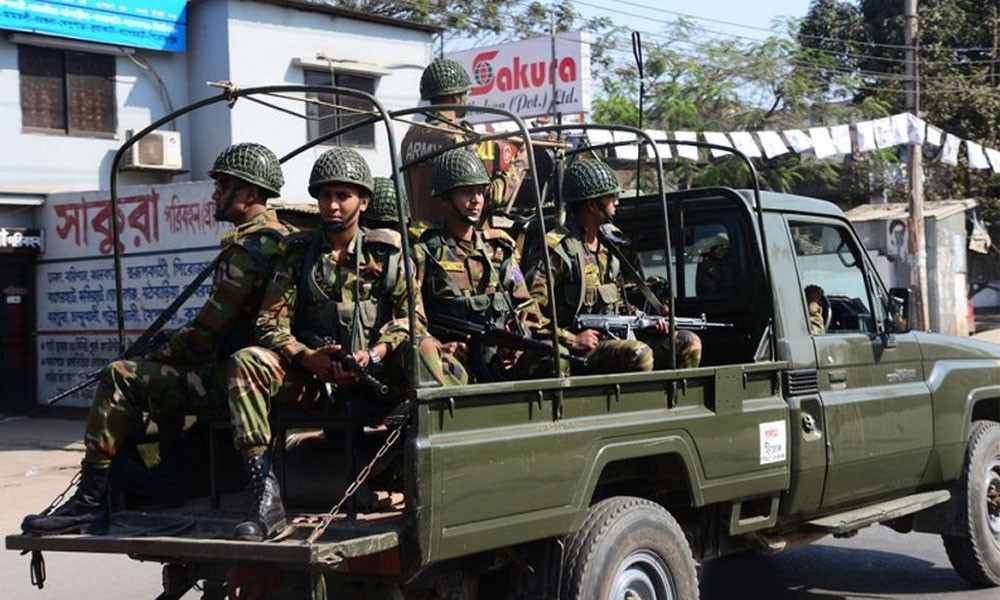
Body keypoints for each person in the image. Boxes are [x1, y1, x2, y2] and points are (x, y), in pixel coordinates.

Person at [21, 143, 295, 536]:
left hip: (237, 378)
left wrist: (161, 351)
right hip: (256, 374)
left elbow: (205, 334)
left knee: (121, 376)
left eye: (223, 186)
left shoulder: (253, 249)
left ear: (249, 193)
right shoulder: (281, 238)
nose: (214, 195)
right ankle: (166, 479)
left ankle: (92, 502)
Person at [226, 147, 465, 541]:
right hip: (314, 380)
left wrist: (376, 352)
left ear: (364, 201)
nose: (332, 205)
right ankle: (265, 502)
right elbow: (270, 323)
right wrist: (308, 357)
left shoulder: (387, 255)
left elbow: (413, 319)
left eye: (343, 196)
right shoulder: (298, 254)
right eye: (325, 195)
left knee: (423, 348)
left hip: (379, 378)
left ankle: (435, 483)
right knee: (246, 361)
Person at [525, 158, 702, 374]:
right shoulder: (558, 249)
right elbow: (528, 312)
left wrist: (646, 321)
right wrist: (572, 339)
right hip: (577, 348)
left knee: (688, 342)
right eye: (611, 197)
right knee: (639, 354)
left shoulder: (610, 246)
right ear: (592, 204)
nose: (617, 202)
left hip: (611, 338)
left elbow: (615, 302)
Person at [418, 148, 548, 381]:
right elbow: (410, 316)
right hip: (453, 358)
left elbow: (526, 304)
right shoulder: (423, 249)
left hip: (499, 355)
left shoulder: (498, 247)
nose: (476, 199)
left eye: (480, 191)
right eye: (467, 192)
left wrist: (518, 338)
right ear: (445, 199)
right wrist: (439, 346)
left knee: (552, 356)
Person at [400, 58, 525, 222]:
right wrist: (519, 164)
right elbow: (487, 197)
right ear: (455, 97)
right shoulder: (458, 136)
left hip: (419, 235)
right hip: (450, 238)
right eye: (464, 94)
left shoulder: (410, 136)